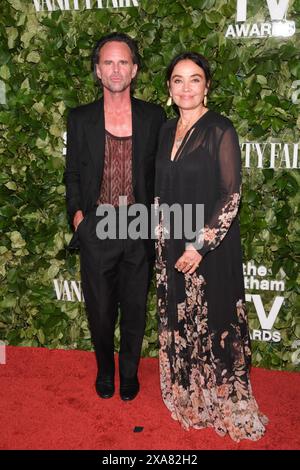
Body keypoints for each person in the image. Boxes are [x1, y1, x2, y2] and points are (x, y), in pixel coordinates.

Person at [154, 52, 268, 441]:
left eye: (195, 79)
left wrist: (198, 245)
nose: (186, 87)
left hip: (208, 248)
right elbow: (161, 191)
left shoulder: (220, 129)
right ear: (169, 89)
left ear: (208, 87)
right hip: (170, 244)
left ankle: (221, 397)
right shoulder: (167, 129)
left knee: (214, 319)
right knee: (180, 318)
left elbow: (230, 195)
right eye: (178, 80)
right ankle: (189, 392)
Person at [64, 32, 165, 401]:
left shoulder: (154, 117)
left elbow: (163, 175)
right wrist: (78, 218)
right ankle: (105, 369)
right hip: (98, 227)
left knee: (135, 309)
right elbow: (72, 173)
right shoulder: (80, 118)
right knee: (101, 311)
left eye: (123, 61)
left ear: (135, 69)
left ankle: (129, 372)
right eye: (108, 62)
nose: (116, 69)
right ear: (98, 71)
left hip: (139, 226)